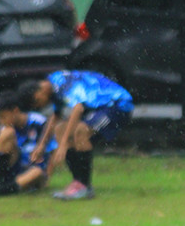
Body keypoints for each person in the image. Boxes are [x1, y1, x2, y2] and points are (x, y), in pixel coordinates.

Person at [17, 70, 133, 200]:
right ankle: (77, 183)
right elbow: (56, 116)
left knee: (81, 131)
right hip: (98, 107)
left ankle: (85, 186)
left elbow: (78, 109)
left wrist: (64, 144)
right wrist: (41, 145)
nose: (43, 105)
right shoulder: (53, 84)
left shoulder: (62, 86)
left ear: (38, 92)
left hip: (117, 104)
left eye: (39, 102)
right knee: (60, 129)